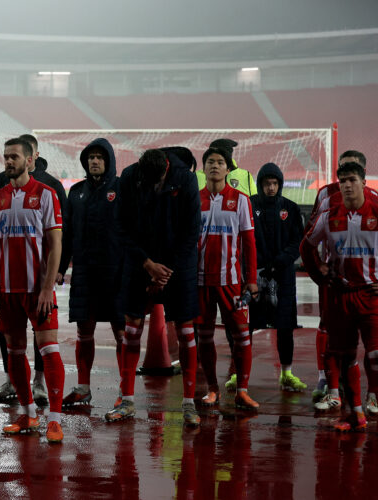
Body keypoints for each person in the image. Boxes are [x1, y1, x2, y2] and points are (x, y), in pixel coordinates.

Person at [0, 137, 65, 443]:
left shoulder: (46, 194)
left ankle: (54, 420)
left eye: (14, 156)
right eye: (6, 156)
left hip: (37, 290)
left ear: (30, 160)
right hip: (7, 290)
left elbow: (55, 243)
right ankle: (28, 413)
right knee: (15, 352)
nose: (8, 161)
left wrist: (47, 287)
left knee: (49, 350)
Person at [116, 147, 201, 425]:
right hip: (140, 263)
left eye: (158, 181)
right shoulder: (129, 177)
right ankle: (126, 400)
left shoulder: (186, 179)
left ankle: (189, 404)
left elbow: (192, 230)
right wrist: (147, 264)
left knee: (186, 331)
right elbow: (120, 227)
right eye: (148, 181)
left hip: (178, 265)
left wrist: (165, 272)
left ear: (166, 169)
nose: (153, 186)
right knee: (131, 328)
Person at [300, 161, 378, 435]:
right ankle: (355, 413)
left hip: (371, 295)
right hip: (341, 296)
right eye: (343, 180)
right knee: (346, 357)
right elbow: (306, 247)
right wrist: (319, 274)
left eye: (352, 180)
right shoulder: (328, 216)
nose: (347, 185)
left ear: (363, 183)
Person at [55, 138, 124, 407]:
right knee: (84, 331)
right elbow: (67, 234)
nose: (94, 161)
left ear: (109, 161)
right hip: (84, 273)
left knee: (122, 333)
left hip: (116, 273)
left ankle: (125, 392)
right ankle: (83, 388)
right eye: (91, 157)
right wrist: (61, 268)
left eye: (99, 157)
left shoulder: (121, 189)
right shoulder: (76, 192)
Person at [196, 146, 259, 411]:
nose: (215, 166)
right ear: (204, 168)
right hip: (200, 282)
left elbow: (249, 242)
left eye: (220, 162)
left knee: (242, 336)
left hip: (232, 282)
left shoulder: (241, 200)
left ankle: (242, 391)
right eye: (210, 162)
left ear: (227, 169)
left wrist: (251, 279)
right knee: (204, 337)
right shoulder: (194, 200)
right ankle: (212, 389)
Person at [249, 162, 306, 391]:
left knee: (285, 326)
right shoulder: (250, 205)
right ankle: (238, 373)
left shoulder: (291, 208)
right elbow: (244, 237)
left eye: (274, 183)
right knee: (245, 326)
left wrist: (280, 262)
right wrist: (260, 263)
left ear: (280, 184)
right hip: (255, 275)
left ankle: (287, 374)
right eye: (267, 183)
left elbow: (298, 241)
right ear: (260, 184)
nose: (270, 188)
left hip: (284, 277)